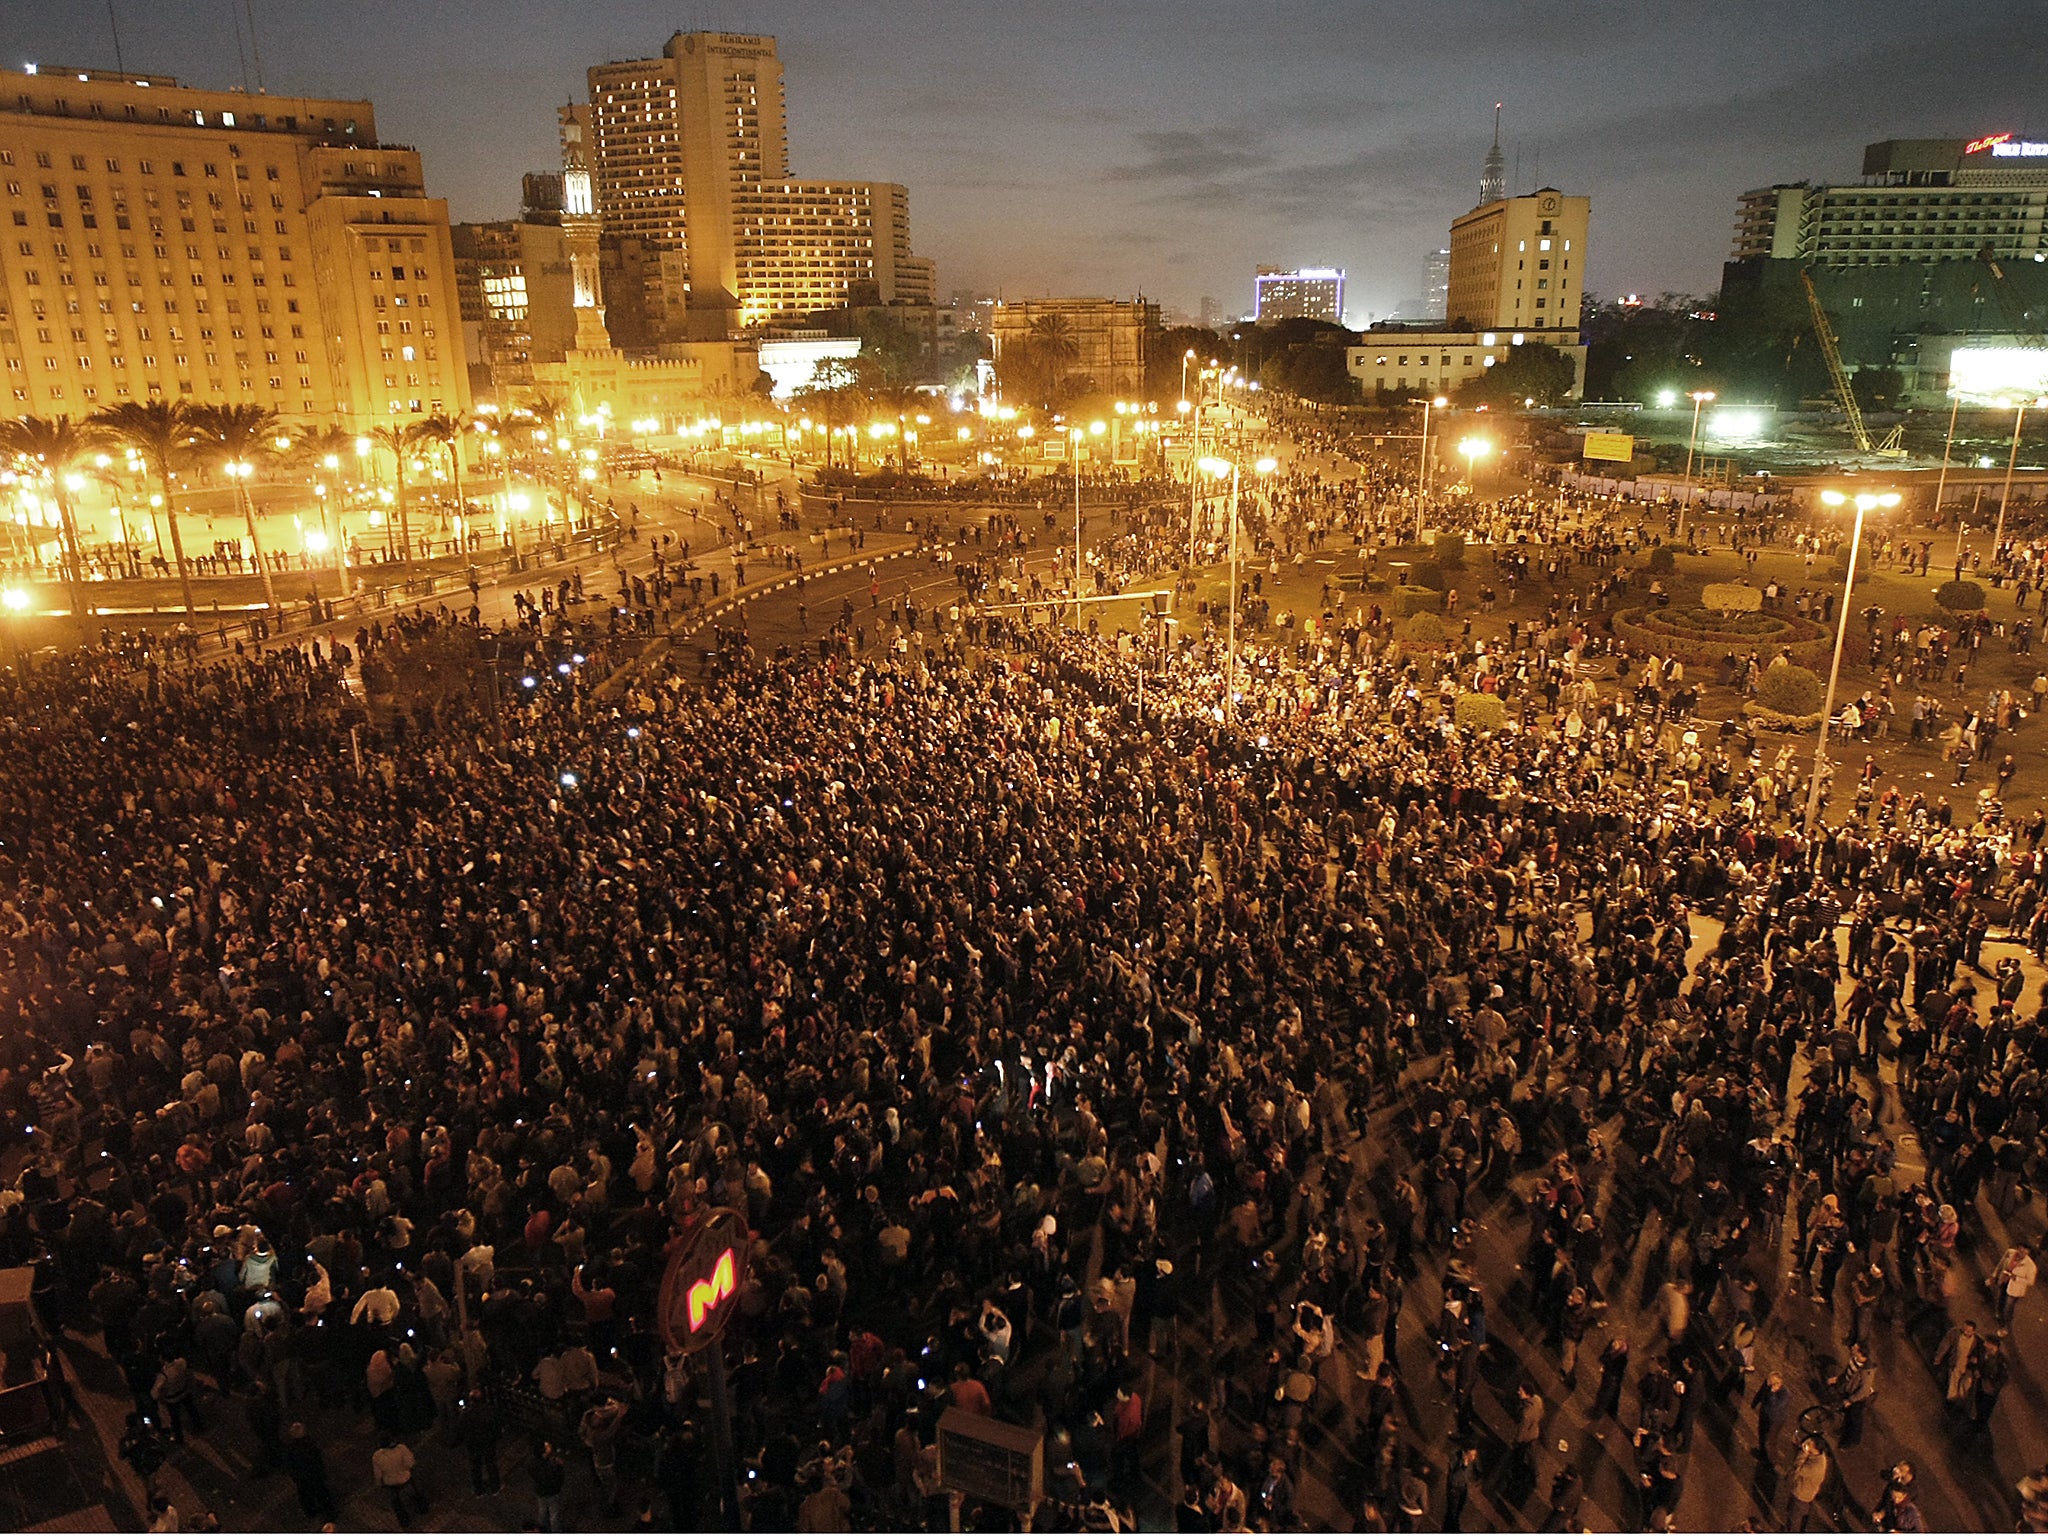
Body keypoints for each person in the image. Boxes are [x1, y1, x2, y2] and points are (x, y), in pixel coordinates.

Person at [371, 1432, 420, 1528]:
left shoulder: (377, 1456)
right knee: (415, 1489)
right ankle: (420, 1506)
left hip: (391, 1482)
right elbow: (410, 1464)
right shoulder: (402, 1449)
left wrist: (379, 1484)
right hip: (405, 1477)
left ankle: (404, 1521)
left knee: (396, 1501)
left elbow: (378, 1474)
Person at [1787, 1435, 1830, 1532]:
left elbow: (1797, 1469)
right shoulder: (1818, 1456)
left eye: (1808, 1445)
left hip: (1801, 1495)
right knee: (1793, 1514)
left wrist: (1802, 1452)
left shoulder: (1815, 1467)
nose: (1805, 1445)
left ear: (1815, 1450)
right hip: (1802, 1492)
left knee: (1794, 1520)